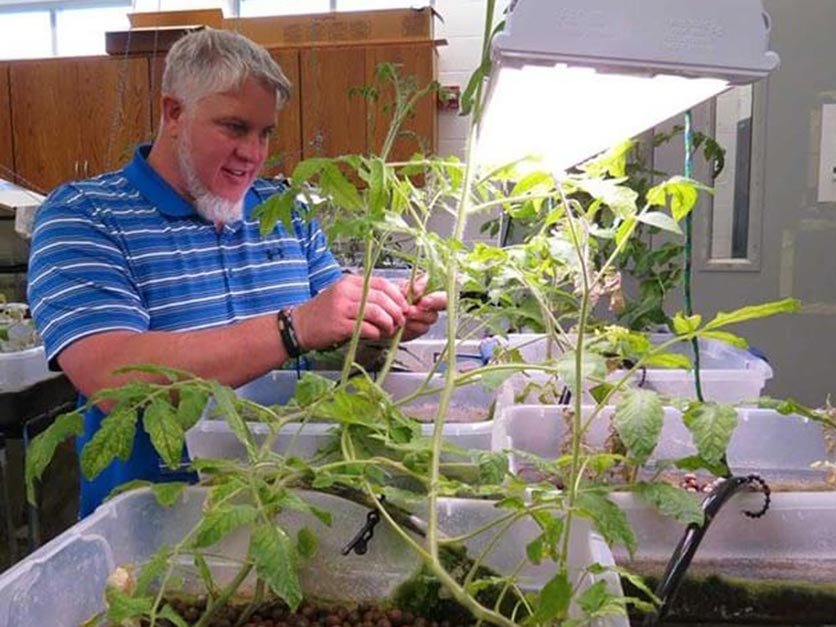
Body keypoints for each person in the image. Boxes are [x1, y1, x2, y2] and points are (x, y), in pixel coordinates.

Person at [27, 29, 445, 517]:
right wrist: (293, 327)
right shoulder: (85, 216)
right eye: (234, 127)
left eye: (265, 132)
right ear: (174, 113)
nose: (255, 152)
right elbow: (112, 376)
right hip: (158, 532)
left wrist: (379, 322)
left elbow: (330, 333)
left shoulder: (283, 211)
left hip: (293, 507)